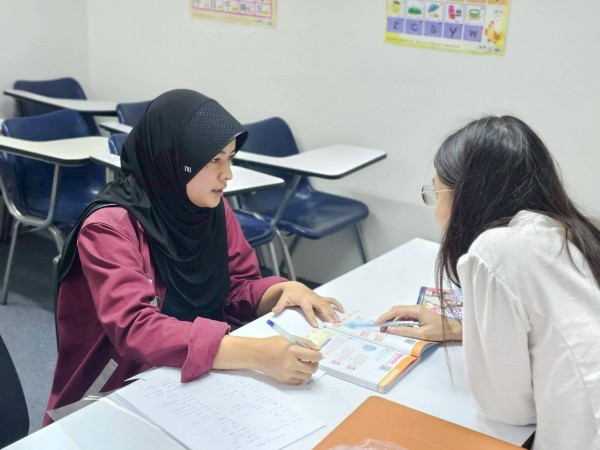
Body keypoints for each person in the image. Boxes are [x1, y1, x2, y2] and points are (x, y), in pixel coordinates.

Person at [44, 89, 344, 425]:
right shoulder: (109, 227)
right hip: (115, 390)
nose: (228, 174)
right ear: (173, 160)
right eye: (214, 160)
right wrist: (255, 354)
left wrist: (281, 290)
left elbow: (235, 287)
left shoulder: (210, 208)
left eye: (230, 158)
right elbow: (136, 328)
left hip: (192, 377)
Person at [376, 115, 600, 449]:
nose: (435, 208)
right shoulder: (570, 232)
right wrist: (460, 329)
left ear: (465, 195)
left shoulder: (494, 251)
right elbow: (551, 332)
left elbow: (508, 409)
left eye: (436, 191)